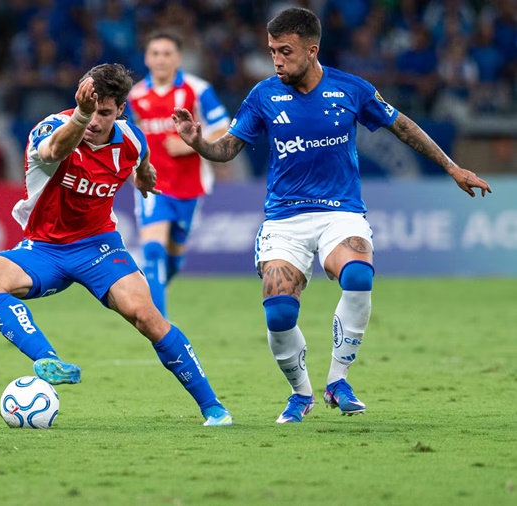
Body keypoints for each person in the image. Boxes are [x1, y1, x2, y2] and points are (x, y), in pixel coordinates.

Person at [172, 7, 492, 424]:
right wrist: (200, 144)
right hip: (284, 219)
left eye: (285, 51)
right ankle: (301, 393)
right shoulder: (264, 95)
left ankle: (338, 381)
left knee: (359, 275)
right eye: (272, 51)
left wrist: (451, 167)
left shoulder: (351, 89)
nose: (277, 60)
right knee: (280, 312)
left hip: (340, 212)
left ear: (311, 49)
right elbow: (228, 148)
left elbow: (403, 126)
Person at [0, 64, 233, 427]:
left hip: (99, 248)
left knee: (147, 317)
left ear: (120, 110)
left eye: (104, 112)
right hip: (44, 248)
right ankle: (47, 359)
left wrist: (144, 176)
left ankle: (213, 407)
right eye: (89, 109)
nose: (94, 120)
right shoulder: (53, 128)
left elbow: (142, 159)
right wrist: (81, 114)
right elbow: (54, 151)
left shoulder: (131, 139)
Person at [126, 30, 231, 317]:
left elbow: (223, 127)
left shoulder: (197, 90)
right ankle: (160, 328)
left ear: (178, 58)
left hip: (189, 186)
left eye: (167, 54)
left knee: (172, 258)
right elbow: (127, 135)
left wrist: (193, 144)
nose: (161, 59)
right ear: (147, 58)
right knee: (153, 252)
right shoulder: (135, 95)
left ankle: (160, 286)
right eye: (155, 53)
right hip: (153, 186)